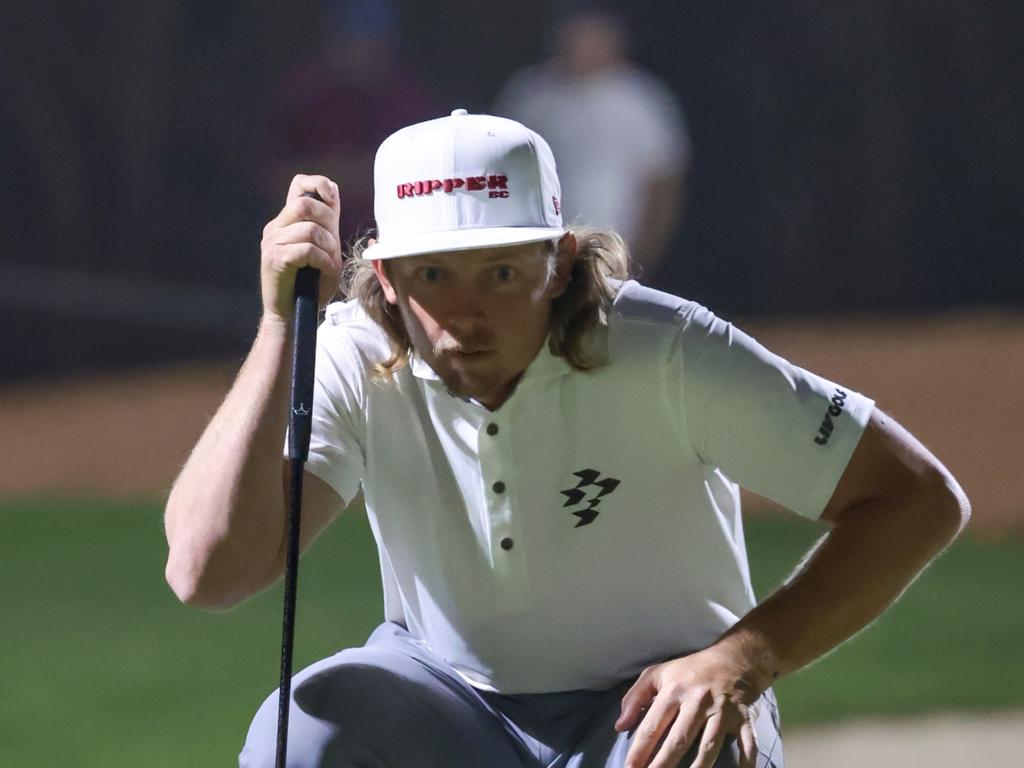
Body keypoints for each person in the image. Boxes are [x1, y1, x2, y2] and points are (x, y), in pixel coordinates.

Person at [164, 109, 970, 768]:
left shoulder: (666, 348)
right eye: (433, 275)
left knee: (692, 750)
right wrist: (279, 325)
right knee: (296, 735)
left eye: (500, 272)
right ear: (385, 277)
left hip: (643, 706)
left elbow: (917, 498)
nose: (464, 316)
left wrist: (745, 658)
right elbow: (208, 570)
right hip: (441, 697)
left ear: (559, 260)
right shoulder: (356, 352)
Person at [495, 8, 690, 282]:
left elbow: (663, 183)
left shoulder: (641, 101)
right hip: (541, 247)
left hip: (618, 247)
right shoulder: (533, 96)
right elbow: (502, 170)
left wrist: (644, 254)